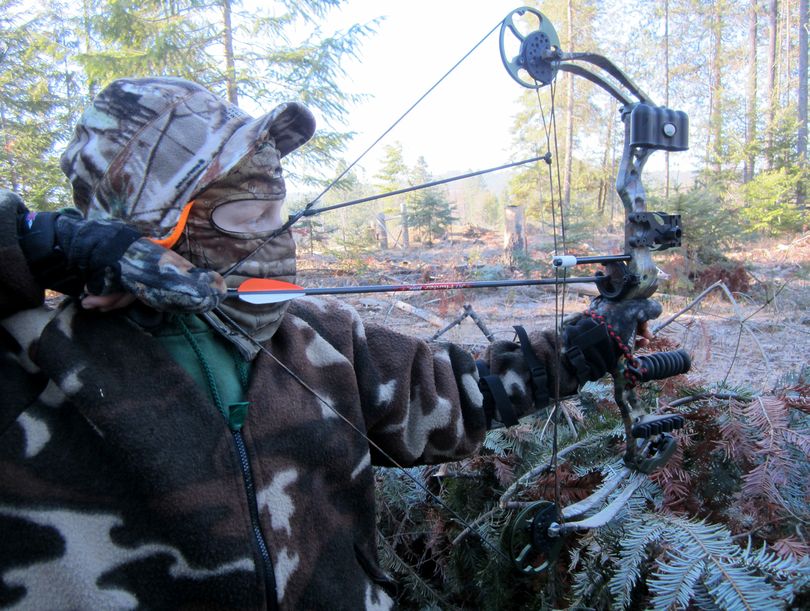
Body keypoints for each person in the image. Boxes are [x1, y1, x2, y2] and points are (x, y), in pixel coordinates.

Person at [0, 77, 660, 610]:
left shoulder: (314, 335)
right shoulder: (39, 362)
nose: (274, 230)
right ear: (153, 231)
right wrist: (37, 242)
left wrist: (581, 348)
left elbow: (458, 396)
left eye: (275, 206)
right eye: (245, 212)